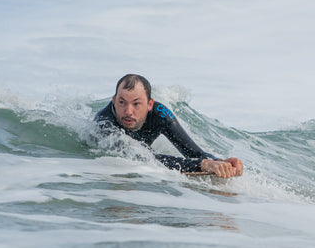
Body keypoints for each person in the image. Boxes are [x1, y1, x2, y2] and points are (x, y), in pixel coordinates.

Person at [93, 74, 244, 178]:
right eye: (121, 102)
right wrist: (202, 165)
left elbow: (194, 152)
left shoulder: (160, 114)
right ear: (114, 100)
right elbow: (144, 159)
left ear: (150, 104)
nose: (128, 111)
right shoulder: (105, 123)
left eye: (136, 104)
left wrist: (220, 162)